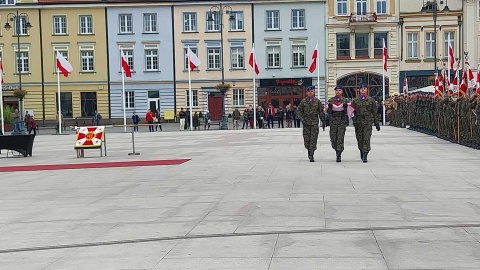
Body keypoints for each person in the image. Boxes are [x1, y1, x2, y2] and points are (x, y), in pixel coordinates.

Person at [351, 83, 380, 163]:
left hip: (367, 122)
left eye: (364, 88)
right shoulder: (355, 101)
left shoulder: (371, 100)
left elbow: (374, 112)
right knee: (360, 139)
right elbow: (352, 112)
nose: (363, 90)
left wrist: (377, 123)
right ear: (359, 90)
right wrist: (354, 121)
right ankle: (361, 151)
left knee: (366, 138)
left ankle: (365, 154)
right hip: (358, 122)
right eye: (361, 88)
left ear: (367, 90)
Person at [298, 85, 325, 162]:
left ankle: (312, 154)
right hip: (306, 123)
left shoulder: (317, 101)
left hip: (314, 123)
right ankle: (309, 151)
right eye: (309, 91)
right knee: (307, 139)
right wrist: (302, 119)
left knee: (313, 139)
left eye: (312, 91)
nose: (310, 92)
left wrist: (323, 121)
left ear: (314, 92)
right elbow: (299, 111)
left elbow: (321, 112)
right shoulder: (303, 102)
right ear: (307, 93)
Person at [327, 85, 349, 162]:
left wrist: (346, 107)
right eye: (337, 90)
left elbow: (348, 112)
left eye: (339, 90)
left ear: (342, 91)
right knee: (333, 139)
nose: (338, 92)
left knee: (340, 138)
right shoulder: (331, 100)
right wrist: (329, 107)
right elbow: (328, 112)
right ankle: (336, 149)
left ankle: (339, 154)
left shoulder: (345, 100)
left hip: (341, 122)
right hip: (333, 122)